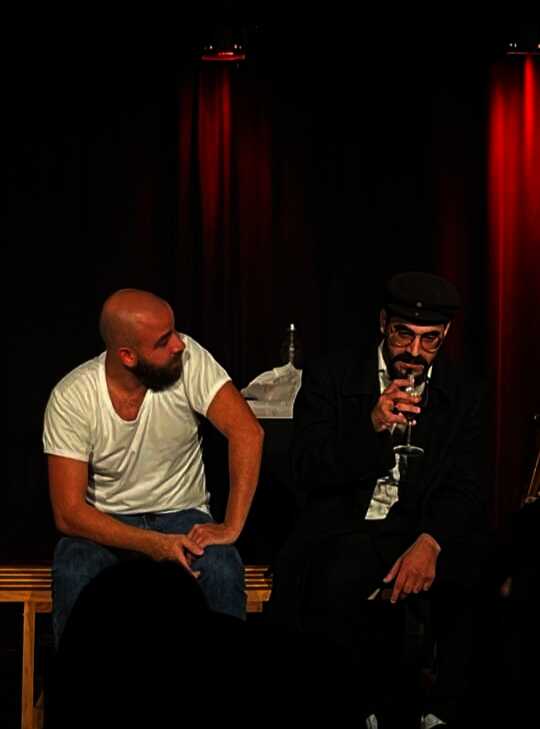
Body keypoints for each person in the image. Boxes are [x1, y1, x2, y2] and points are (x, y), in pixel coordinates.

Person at [269, 271, 493, 729]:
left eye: (430, 340)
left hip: (418, 524)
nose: (414, 352)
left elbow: (467, 483)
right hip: (347, 523)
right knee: (337, 574)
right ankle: (355, 708)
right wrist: (369, 425)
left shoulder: (463, 391)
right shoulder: (332, 375)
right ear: (383, 324)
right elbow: (306, 470)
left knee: (476, 566)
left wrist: (431, 540)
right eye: (403, 335)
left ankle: (440, 712)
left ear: (446, 334)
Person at [43, 288, 264, 646]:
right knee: (75, 569)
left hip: (182, 515)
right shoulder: (73, 396)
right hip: (108, 522)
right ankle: (80, 681)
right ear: (127, 356)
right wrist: (153, 544)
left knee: (221, 568)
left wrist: (231, 526)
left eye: (174, 331)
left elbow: (247, 432)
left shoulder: (189, 360)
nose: (179, 344)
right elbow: (68, 513)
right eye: (164, 341)